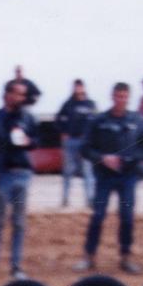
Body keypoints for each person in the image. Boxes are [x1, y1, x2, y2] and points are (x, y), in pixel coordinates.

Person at [76, 82, 143, 274]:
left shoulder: (138, 120)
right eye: (118, 96)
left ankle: (126, 257)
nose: (121, 100)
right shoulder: (98, 120)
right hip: (104, 176)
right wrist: (102, 158)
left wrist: (130, 159)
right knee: (98, 216)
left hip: (128, 176)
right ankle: (89, 256)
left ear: (129, 98)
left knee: (127, 217)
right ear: (112, 96)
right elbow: (85, 147)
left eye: (124, 97)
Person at [0, 80, 38, 281]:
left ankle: (16, 267)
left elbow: (37, 140)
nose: (21, 98)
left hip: (22, 174)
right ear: (8, 95)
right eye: (18, 94)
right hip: (2, 175)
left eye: (23, 94)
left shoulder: (28, 118)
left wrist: (29, 142)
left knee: (19, 223)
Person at [55, 79, 97, 208]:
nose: (78, 89)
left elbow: (95, 122)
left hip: (85, 142)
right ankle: (65, 199)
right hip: (71, 141)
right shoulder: (68, 104)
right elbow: (58, 119)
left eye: (80, 87)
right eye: (76, 87)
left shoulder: (90, 104)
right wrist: (63, 132)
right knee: (68, 171)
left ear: (83, 88)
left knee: (87, 171)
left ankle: (89, 200)